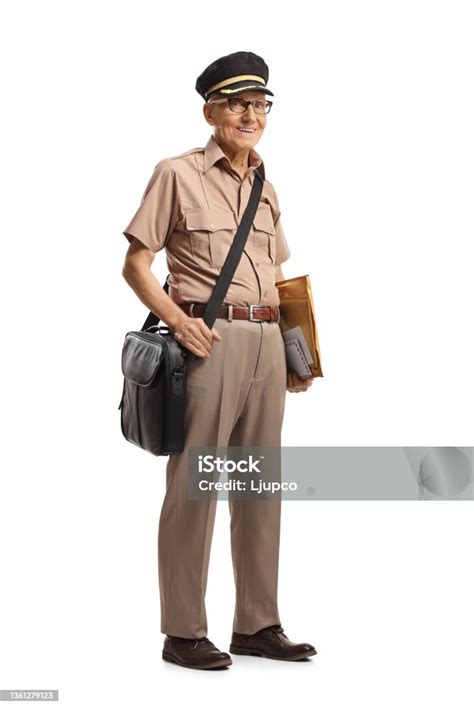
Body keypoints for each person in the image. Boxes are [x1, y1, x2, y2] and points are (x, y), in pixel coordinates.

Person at [121, 51, 316, 670]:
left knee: (260, 489)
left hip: (265, 346)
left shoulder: (266, 184)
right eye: (238, 103)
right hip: (208, 346)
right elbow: (135, 265)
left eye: (260, 104)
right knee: (195, 487)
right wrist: (180, 323)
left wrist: (300, 351)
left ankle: (258, 624)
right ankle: (183, 631)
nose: (251, 114)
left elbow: (280, 275)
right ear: (211, 110)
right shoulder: (176, 173)